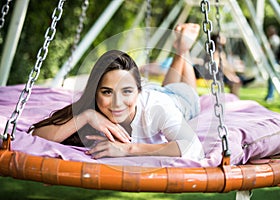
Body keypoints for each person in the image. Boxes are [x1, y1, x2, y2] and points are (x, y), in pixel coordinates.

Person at [29, 23, 204, 162]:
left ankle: (183, 49)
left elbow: (193, 148)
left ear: (138, 89)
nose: (117, 103)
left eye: (126, 92)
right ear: (95, 92)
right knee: (165, 89)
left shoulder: (157, 108)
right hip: (153, 93)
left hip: (180, 100)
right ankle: (181, 48)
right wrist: (87, 116)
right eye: (107, 92)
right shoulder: (93, 108)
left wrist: (128, 149)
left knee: (185, 90)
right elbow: (38, 134)